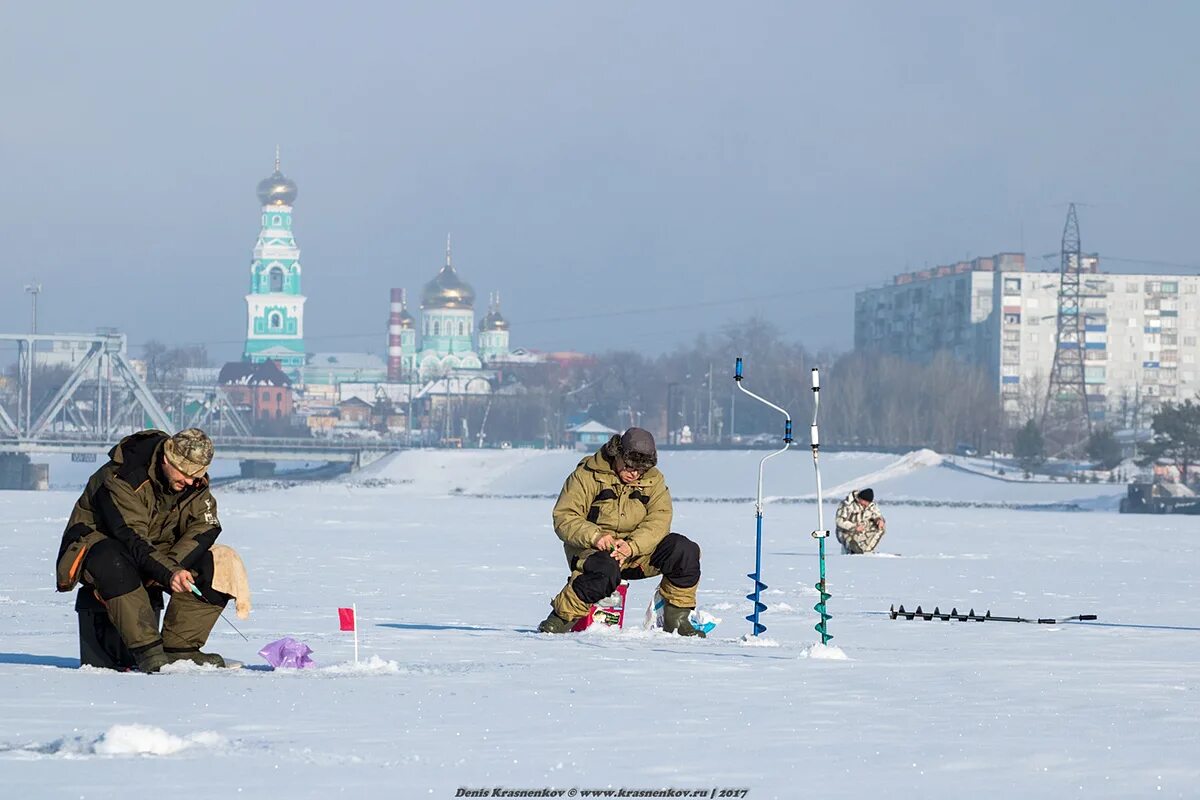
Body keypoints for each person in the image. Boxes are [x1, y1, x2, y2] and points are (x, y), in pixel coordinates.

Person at [55, 428, 235, 672]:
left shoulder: (193, 483)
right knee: (114, 560)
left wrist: (172, 565)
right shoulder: (122, 476)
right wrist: (168, 571)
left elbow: (206, 525)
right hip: (98, 547)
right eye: (185, 473)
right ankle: (148, 651)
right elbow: (131, 537)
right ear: (166, 459)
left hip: (153, 551)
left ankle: (180, 649)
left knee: (220, 561)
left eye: (197, 475)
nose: (191, 482)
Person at [538, 427, 705, 637]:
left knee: (684, 550)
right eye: (629, 466)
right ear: (617, 453)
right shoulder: (586, 475)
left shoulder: (654, 481)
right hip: (592, 550)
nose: (634, 474)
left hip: (637, 552)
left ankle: (677, 620)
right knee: (604, 570)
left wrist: (633, 546)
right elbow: (565, 517)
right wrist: (595, 536)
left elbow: (659, 520)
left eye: (640, 470)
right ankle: (561, 618)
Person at [835, 487, 886, 554]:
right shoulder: (847, 504)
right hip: (847, 533)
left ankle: (866, 551)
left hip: (863, 531)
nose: (866, 504)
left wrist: (879, 520)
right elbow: (839, 521)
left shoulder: (871, 506)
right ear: (859, 498)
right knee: (852, 546)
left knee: (881, 528)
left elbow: (877, 515)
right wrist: (854, 527)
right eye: (865, 501)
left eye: (868, 502)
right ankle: (852, 549)